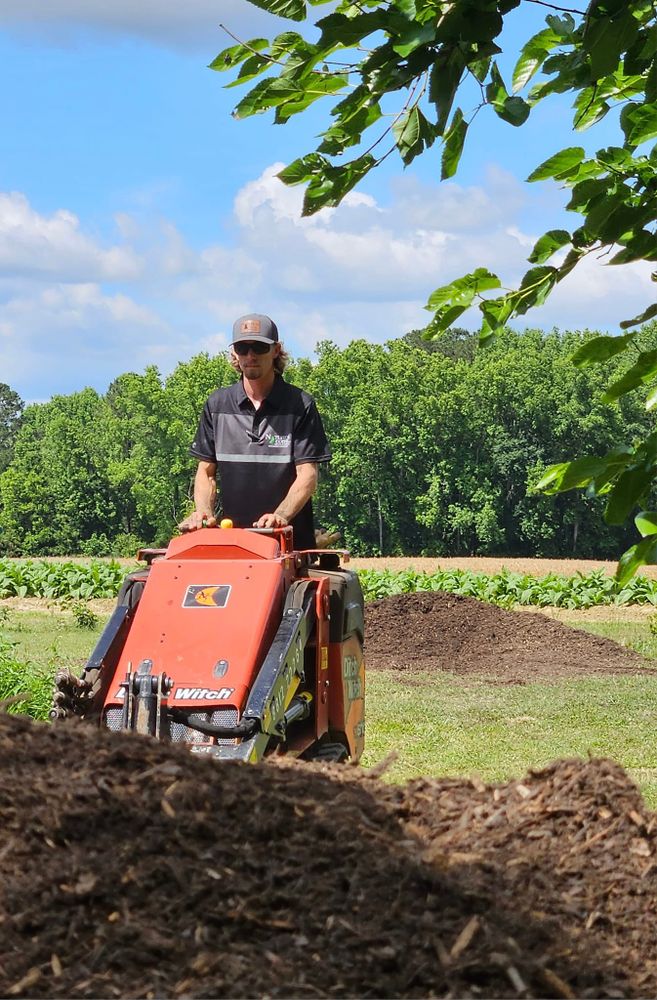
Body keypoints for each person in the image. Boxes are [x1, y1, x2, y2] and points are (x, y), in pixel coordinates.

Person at [178, 313, 331, 550]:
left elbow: (307, 476)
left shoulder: (300, 405)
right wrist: (204, 514)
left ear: (276, 350)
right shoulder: (217, 405)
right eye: (242, 348)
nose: (250, 356)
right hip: (232, 545)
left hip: (289, 547)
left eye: (259, 347)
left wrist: (280, 516)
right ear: (234, 354)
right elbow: (206, 473)